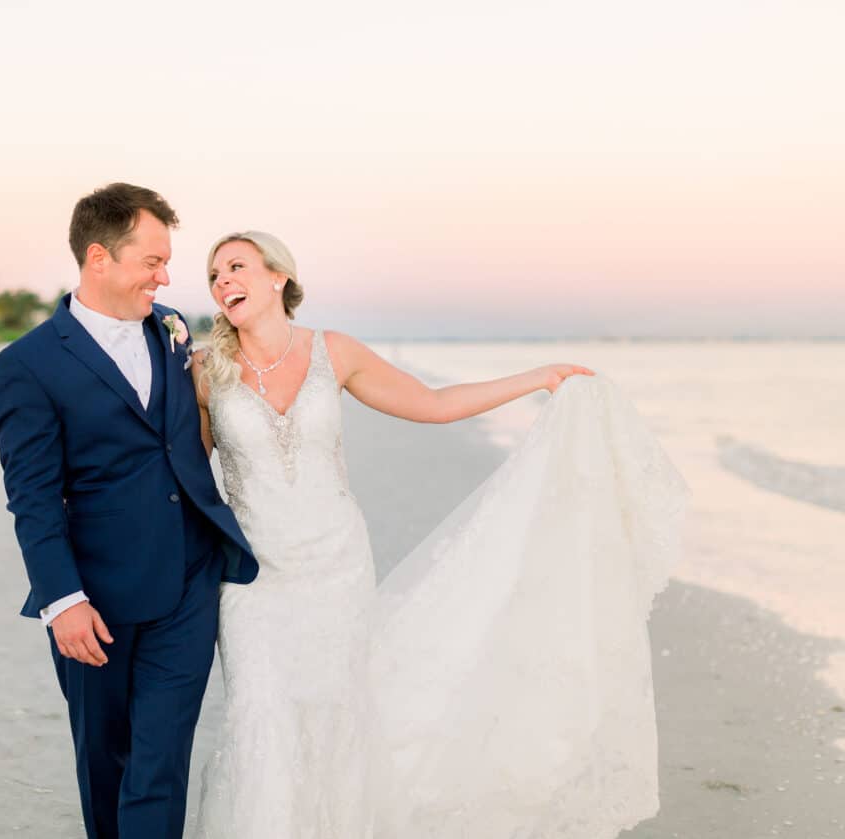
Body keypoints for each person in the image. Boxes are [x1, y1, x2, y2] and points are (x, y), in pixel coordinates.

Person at [189, 231, 691, 837]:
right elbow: (185, 475)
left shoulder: (334, 352)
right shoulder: (206, 370)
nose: (222, 282)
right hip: (253, 577)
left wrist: (535, 377)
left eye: (236, 267)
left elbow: (432, 403)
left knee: (336, 716)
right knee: (261, 715)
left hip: (335, 569)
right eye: (215, 275)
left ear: (278, 277)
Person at [0, 184, 256, 839]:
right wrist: (62, 600)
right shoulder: (25, 364)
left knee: (159, 766)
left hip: (188, 582)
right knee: (106, 765)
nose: (166, 277)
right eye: (153, 262)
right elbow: (32, 494)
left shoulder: (171, 330)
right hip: (96, 599)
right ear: (100, 258)